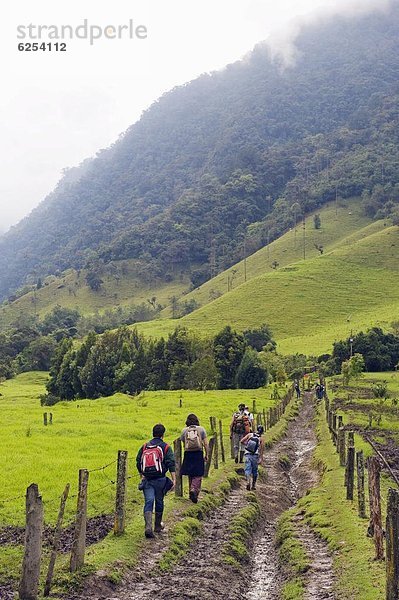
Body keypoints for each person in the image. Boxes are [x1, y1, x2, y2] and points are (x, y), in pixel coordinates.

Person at [136, 423, 176, 538]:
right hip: (160, 480)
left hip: (147, 480)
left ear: (153, 433)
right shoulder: (166, 447)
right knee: (159, 501)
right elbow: (171, 463)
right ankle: (157, 526)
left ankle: (148, 527)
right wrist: (174, 479)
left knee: (149, 501)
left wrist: (142, 474)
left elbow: (138, 461)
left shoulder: (145, 446)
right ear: (163, 434)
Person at [180, 413, 209, 503]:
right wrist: (207, 454)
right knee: (198, 474)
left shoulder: (184, 430)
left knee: (190, 473)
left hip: (188, 453)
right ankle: (194, 490)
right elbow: (206, 444)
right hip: (198, 452)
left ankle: (191, 493)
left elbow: (184, 443)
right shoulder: (201, 429)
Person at [241, 425, 265, 491]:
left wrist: (247, 445)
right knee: (255, 471)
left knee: (247, 469)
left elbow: (241, 441)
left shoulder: (250, 434)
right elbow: (261, 450)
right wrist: (261, 459)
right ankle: (253, 485)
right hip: (255, 456)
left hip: (247, 454)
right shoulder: (261, 439)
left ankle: (248, 481)